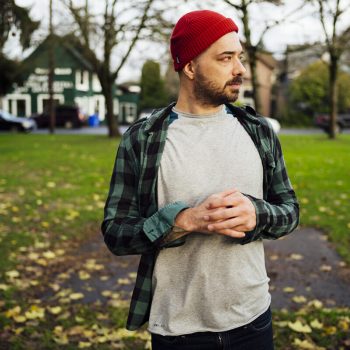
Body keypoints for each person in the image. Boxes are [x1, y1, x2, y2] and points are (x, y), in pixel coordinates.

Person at [102, 9, 299, 350]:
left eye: (239, 57)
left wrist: (258, 214)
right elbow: (116, 234)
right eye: (225, 58)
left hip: (253, 320)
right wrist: (181, 221)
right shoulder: (142, 139)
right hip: (178, 329)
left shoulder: (259, 132)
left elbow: (291, 212)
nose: (240, 69)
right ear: (190, 67)